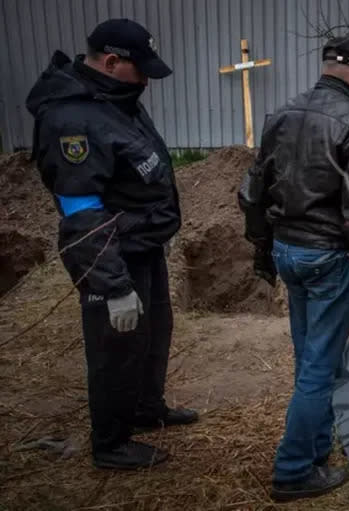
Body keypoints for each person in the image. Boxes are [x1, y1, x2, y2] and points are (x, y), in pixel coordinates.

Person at [26, 19, 198, 470]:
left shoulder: (116, 100)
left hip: (143, 244)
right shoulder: (72, 118)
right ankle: (112, 442)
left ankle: (145, 408)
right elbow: (81, 212)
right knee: (115, 348)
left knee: (153, 333)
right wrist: (113, 285)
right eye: (139, 69)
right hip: (113, 254)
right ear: (111, 61)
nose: (145, 80)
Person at [239, 36, 349, 501]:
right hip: (328, 257)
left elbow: (254, 191)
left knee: (310, 358)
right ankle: (293, 470)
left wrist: (262, 251)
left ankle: (314, 450)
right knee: (319, 367)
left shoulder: (282, 114)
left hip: (288, 251)